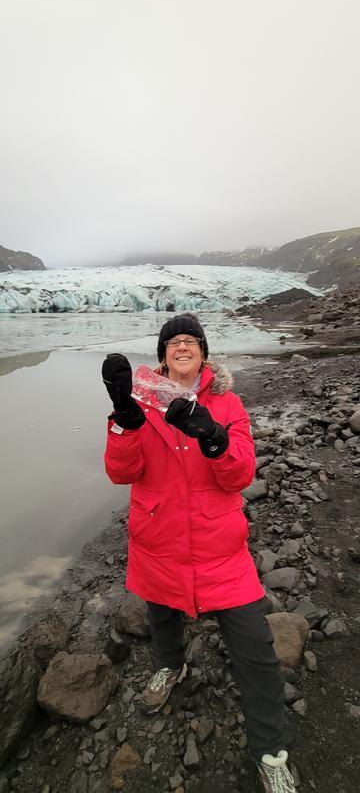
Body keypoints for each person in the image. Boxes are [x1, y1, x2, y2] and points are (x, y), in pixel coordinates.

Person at [102, 313, 296, 793]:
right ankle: (171, 666)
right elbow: (120, 474)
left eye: (191, 341)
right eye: (173, 342)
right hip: (159, 539)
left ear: (204, 353)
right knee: (161, 617)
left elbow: (240, 475)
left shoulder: (228, 403)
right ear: (163, 353)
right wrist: (125, 424)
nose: (182, 347)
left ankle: (271, 753)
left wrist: (215, 439)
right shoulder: (140, 401)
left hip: (218, 547)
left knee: (256, 653)